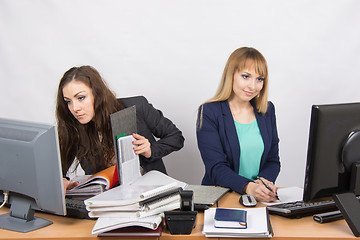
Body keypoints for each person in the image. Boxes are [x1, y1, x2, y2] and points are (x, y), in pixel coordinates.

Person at [56, 65, 185, 191]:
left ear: (97, 94)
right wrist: (62, 181)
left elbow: (176, 137)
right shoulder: (73, 128)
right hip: (106, 201)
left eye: (81, 98)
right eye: (68, 101)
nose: (75, 108)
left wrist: (151, 150)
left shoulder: (137, 107)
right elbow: (57, 168)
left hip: (150, 193)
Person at [196, 47, 280, 202]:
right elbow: (216, 167)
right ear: (231, 75)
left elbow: (273, 160)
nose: (253, 86)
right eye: (246, 76)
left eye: (259, 79)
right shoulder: (209, 112)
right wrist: (248, 187)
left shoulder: (267, 111)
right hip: (220, 197)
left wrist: (262, 183)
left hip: (258, 198)